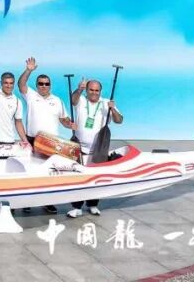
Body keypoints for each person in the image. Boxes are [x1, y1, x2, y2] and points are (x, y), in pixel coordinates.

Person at [16, 57, 73, 214]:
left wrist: (69, 124)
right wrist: (28, 70)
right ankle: (27, 201)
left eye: (46, 84)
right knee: (30, 172)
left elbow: (64, 120)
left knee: (49, 173)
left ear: (50, 85)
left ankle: (48, 202)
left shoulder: (57, 101)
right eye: (40, 83)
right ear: (37, 85)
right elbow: (21, 84)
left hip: (52, 143)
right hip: (33, 140)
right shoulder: (31, 96)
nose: (43, 86)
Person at [68, 78, 123, 218]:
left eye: (97, 90)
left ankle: (93, 204)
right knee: (79, 178)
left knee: (96, 178)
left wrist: (112, 109)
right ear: (87, 90)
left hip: (98, 149)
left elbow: (119, 120)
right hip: (79, 147)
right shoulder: (81, 99)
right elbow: (73, 100)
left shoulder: (106, 103)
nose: (94, 93)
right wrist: (79, 89)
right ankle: (76, 207)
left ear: (100, 91)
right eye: (91, 90)